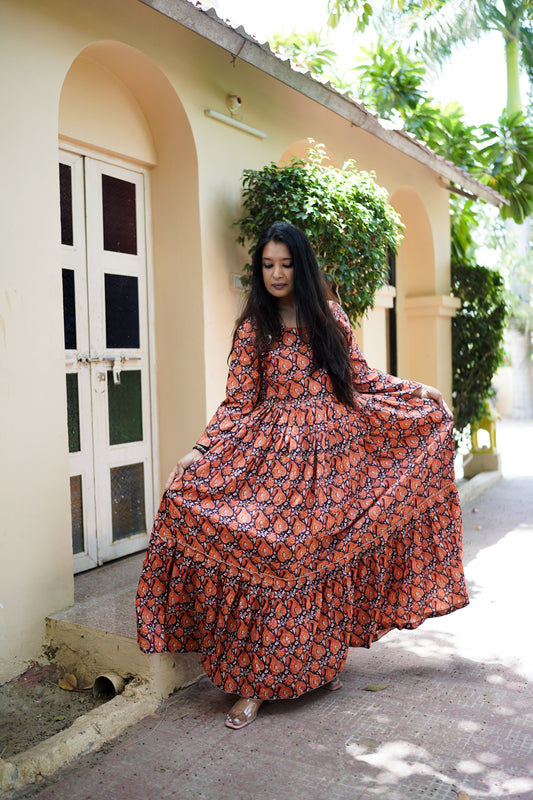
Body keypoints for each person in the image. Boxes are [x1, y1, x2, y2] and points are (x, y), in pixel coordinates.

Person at [136, 221, 468, 730]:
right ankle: (254, 685)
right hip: (271, 457)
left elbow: (359, 377)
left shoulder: (329, 316)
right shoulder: (254, 328)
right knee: (269, 551)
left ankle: (318, 662)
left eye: (285, 264)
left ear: (302, 266)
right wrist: (200, 451)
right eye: (267, 265)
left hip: (333, 458)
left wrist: (415, 390)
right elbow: (239, 402)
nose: (276, 274)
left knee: (319, 556)